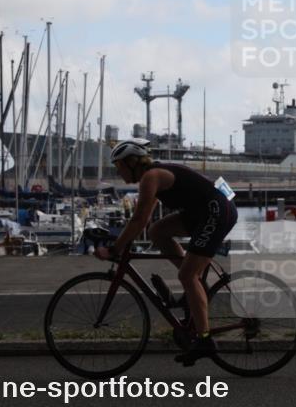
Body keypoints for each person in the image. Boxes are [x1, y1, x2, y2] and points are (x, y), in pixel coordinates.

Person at [95, 138, 238, 366]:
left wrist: (114, 248)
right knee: (157, 231)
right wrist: (125, 239)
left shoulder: (151, 177)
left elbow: (138, 218)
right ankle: (196, 288)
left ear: (132, 162)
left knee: (187, 276)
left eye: (119, 166)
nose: (118, 171)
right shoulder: (152, 177)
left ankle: (205, 340)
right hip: (202, 213)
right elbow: (144, 221)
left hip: (216, 212)